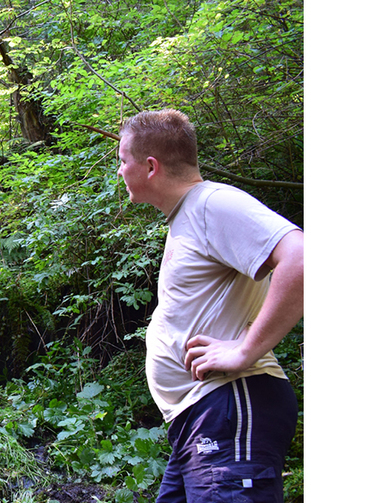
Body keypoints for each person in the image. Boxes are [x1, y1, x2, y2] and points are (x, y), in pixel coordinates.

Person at [117, 109, 303, 503]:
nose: (120, 172)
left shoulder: (212, 204)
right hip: (198, 418)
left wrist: (245, 349)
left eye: (122, 161)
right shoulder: (187, 218)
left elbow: (301, 259)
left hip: (230, 403)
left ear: (150, 167)